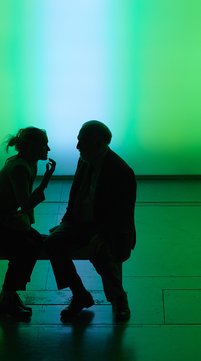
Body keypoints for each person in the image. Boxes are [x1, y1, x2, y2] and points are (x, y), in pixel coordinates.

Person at [44, 121, 136, 321]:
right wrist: (66, 222)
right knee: (52, 243)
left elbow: (123, 214)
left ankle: (118, 298)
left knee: (101, 252)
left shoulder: (121, 171)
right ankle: (80, 294)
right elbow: (76, 195)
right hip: (79, 223)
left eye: (82, 142)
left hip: (106, 228)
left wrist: (103, 234)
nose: (78, 147)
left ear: (99, 143)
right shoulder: (84, 160)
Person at [0, 127, 56, 318]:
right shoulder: (20, 167)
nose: (48, 148)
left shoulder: (29, 164)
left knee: (35, 242)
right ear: (32, 147)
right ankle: (5, 300)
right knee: (23, 249)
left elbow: (25, 203)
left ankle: (11, 294)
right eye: (44, 144)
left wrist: (27, 228)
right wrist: (45, 182)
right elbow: (25, 203)